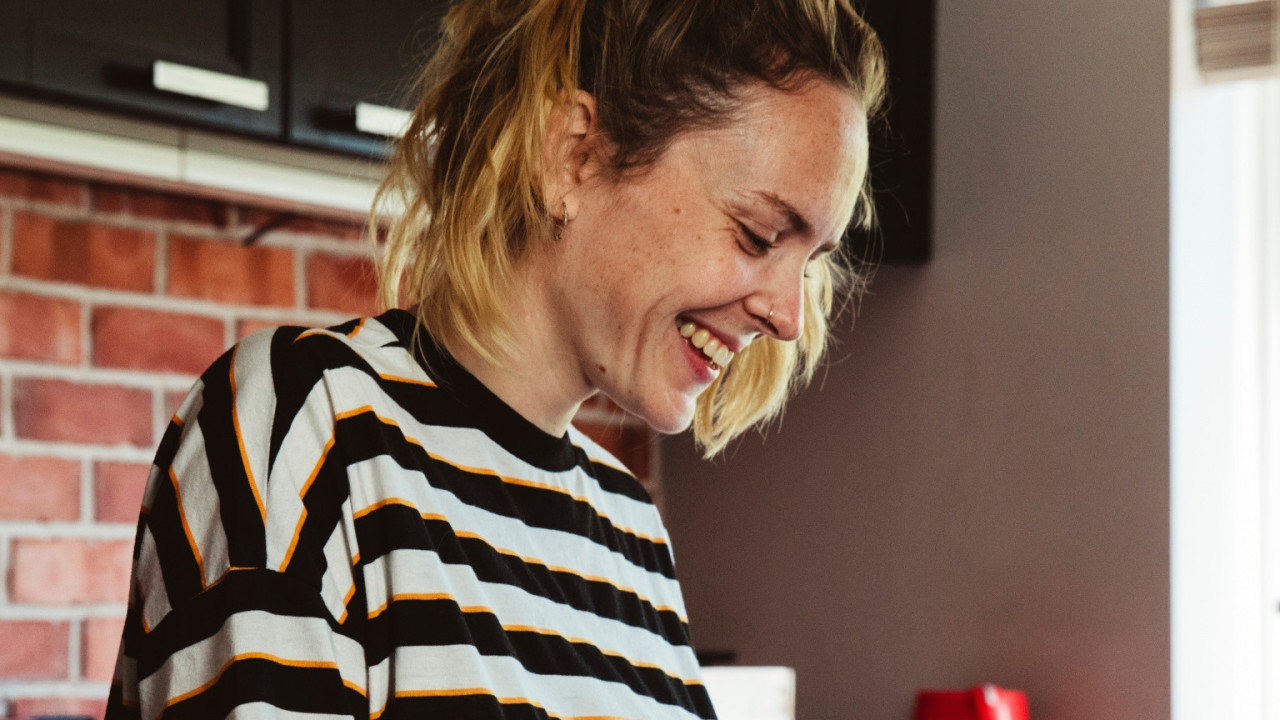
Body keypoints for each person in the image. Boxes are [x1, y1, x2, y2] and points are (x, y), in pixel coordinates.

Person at [104, 0, 885, 718]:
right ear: (574, 157)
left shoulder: (629, 534)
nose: (787, 316)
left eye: (810, 261)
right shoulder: (306, 425)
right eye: (756, 234)